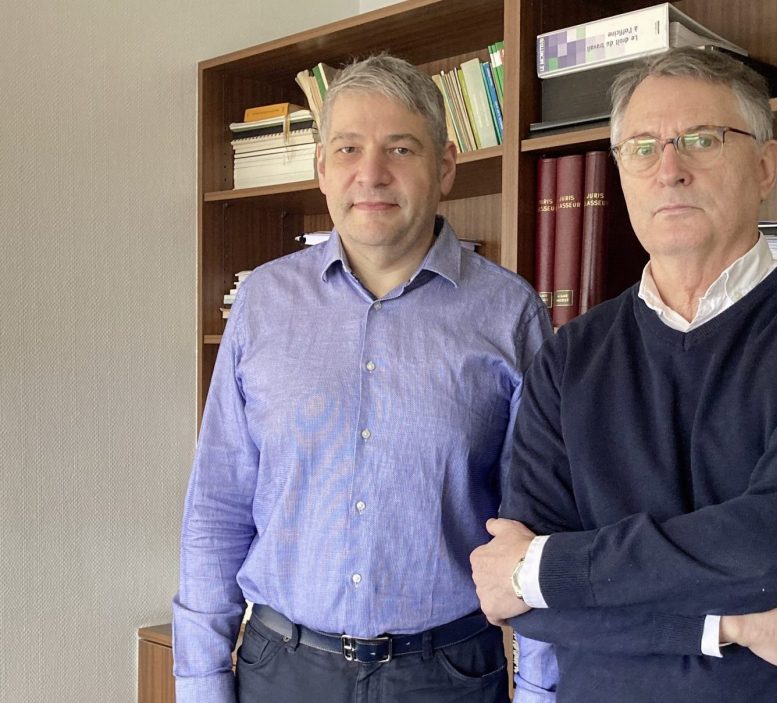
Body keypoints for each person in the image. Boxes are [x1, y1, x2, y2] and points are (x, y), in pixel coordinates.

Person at [471, 47, 777, 702]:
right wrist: (736, 623)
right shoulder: (569, 356)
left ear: (765, 166)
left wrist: (547, 568)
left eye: (702, 139)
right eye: (642, 147)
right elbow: (527, 605)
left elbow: (770, 552)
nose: (669, 169)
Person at [172, 54, 552, 703]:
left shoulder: (510, 313)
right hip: (282, 669)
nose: (370, 173)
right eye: (348, 148)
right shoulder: (262, 302)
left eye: (400, 148)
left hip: (448, 675)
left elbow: (537, 523)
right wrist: (201, 679)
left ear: (445, 166)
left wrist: (543, 688)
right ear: (321, 167)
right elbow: (218, 504)